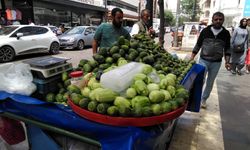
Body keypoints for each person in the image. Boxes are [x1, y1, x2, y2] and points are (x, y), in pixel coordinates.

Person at [190, 12, 231, 109]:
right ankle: (196, 98)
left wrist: (227, 61)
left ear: (223, 20)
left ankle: (203, 100)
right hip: (203, 60)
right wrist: (192, 57)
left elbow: (228, 48)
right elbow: (198, 44)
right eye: (216, 19)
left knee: (210, 82)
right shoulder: (205, 31)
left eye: (220, 19)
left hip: (216, 63)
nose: (218, 21)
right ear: (212, 20)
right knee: (200, 80)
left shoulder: (225, 33)